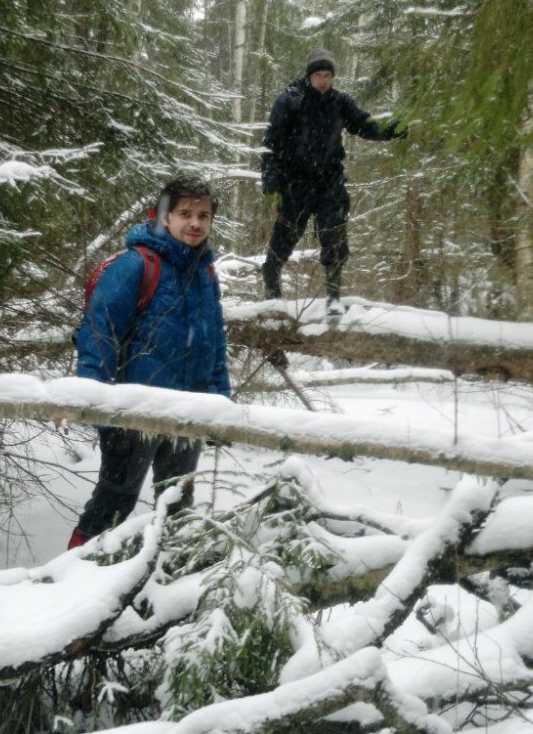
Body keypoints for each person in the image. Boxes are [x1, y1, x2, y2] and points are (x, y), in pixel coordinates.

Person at [67, 175, 231, 548]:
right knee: (113, 504)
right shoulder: (136, 265)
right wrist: (94, 403)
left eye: (203, 216)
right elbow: (99, 333)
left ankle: (164, 576)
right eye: (185, 214)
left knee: (177, 505)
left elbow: (214, 343)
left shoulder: (204, 274)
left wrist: (220, 402)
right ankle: (72, 573)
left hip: (190, 410)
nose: (195, 223)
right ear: (164, 216)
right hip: (133, 411)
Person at [259, 48, 408, 315]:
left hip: (329, 183)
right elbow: (272, 143)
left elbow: (363, 125)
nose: (323, 81)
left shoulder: (340, 102)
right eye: (318, 75)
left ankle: (333, 298)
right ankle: (272, 294)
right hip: (295, 183)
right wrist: (271, 182)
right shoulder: (290, 101)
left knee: (335, 236)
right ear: (309, 75)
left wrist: (393, 130)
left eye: (328, 75)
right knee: (284, 238)